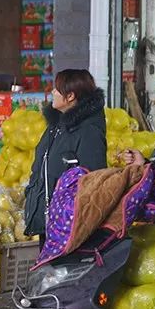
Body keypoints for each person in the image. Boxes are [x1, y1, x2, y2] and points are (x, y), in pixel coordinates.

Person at [24, 69, 107, 240]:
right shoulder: (56, 127)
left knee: (59, 268)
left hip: (68, 227)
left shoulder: (88, 132)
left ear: (70, 96)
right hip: (47, 222)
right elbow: (40, 167)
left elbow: (93, 183)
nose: (52, 92)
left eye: (56, 89)